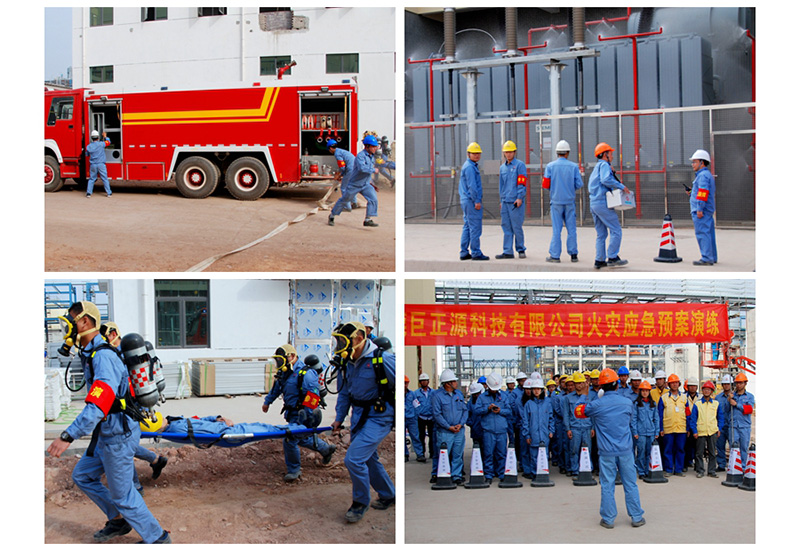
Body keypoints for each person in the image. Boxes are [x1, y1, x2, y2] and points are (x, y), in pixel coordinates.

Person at [46, 301, 169, 544]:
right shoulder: (90, 353)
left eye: (70, 321)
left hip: (118, 437)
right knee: (83, 476)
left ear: (84, 321)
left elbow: (98, 405)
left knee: (123, 495)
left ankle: (158, 538)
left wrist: (68, 435)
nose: (66, 328)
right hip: (106, 434)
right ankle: (118, 520)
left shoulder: (103, 356)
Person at [330, 322, 395, 523]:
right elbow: (344, 394)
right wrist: (339, 418)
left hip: (379, 417)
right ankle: (388, 494)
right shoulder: (348, 363)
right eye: (338, 342)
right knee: (368, 459)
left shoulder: (383, 359)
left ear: (359, 338)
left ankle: (360, 503)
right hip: (358, 416)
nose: (340, 346)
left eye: (343, 341)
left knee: (353, 459)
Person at [99, 322, 167, 494]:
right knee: (124, 447)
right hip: (132, 408)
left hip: (126, 411)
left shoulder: (117, 357)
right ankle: (155, 460)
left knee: (122, 448)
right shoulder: (126, 355)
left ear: (113, 334)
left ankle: (136, 487)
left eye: (105, 336)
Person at [574, 368, 645, 529]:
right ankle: (636, 517)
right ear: (617, 385)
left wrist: (584, 395)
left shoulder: (596, 405)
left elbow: (578, 412)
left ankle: (608, 519)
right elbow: (629, 420)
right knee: (630, 484)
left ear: (600, 387)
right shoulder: (627, 403)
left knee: (607, 485)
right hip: (625, 450)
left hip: (606, 452)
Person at [262, 344, 336, 482]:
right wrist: (267, 402)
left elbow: (312, 397)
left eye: (281, 359)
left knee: (290, 439)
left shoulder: (306, 374)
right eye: (277, 360)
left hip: (304, 414)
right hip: (291, 413)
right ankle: (325, 449)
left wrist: (308, 417)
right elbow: (277, 388)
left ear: (291, 356)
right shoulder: (285, 372)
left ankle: (294, 470)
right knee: (302, 438)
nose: (279, 362)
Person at [588, 142, 631, 269]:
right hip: (602, 202)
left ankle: (599, 260)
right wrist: (621, 186)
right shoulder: (604, 165)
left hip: (594, 203)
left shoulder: (598, 167)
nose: (612, 156)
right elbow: (605, 180)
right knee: (616, 229)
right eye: (610, 154)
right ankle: (612, 257)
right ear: (604, 154)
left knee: (601, 234)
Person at [543, 140, 584, 263]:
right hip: (569, 202)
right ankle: (573, 254)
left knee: (557, 230)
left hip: (556, 202)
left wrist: (555, 189)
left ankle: (555, 256)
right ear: (567, 153)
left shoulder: (550, 166)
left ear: (557, 153)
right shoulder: (573, 167)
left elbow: (545, 185)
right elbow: (579, 184)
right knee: (571, 229)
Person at [328, 135, 381, 227]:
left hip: (365, 184)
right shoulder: (360, 156)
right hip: (355, 184)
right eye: (373, 146)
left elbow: (367, 174)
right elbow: (362, 168)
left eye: (375, 146)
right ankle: (332, 215)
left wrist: (372, 184)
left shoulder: (371, 157)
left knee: (373, 199)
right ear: (367, 146)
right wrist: (374, 170)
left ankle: (368, 219)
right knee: (344, 200)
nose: (375, 148)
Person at [431, 369, 468, 484]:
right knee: (443, 455)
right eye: (454, 381)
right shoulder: (437, 396)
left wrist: (460, 424)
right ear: (448, 383)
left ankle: (456, 475)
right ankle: (441, 475)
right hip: (445, 432)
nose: (456, 383)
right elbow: (437, 414)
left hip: (459, 431)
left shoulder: (459, 394)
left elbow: (465, 410)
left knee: (457, 455)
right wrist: (448, 427)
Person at [475, 372, 511, 483]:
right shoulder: (482, 397)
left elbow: (509, 411)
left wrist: (500, 411)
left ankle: (501, 474)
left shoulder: (504, 396)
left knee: (502, 454)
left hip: (501, 430)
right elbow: (476, 410)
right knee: (488, 454)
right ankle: (489, 475)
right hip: (488, 431)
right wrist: (487, 408)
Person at [495, 140, 528, 259]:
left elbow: (522, 182)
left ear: (514, 152)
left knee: (516, 226)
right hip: (505, 201)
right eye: (506, 152)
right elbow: (501, 185)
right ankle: (508, 251)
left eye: (510, 152)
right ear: (504, 153)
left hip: (515, 202)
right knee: (506, 226)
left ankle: (521, 249)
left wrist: (519, 197)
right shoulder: (502, 168)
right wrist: (501, 200)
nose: (508, 154)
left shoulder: (520, 165)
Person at [459, 142, 489, 261]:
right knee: (475, 227)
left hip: (466, 200)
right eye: (474, 153)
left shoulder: (469, 166)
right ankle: (476, 252)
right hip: (471, 201)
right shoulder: (470, 167)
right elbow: (472, 186)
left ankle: (464, 252)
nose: (476, 155)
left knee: (467, 226)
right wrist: (476, 200)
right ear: (468, 154)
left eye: (478, 153)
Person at [688, 149, 717, 265]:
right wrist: (691, 192)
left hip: (701, 211)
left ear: (702, 162)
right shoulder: (706, 175)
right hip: (706, 210)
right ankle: (712, 256)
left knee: (702, 233)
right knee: (709, 234)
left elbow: (703, 192)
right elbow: (702, 192)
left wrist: (699, 208)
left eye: (695, 162)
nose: (693, 164)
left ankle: (706, 258)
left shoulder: (702, 176)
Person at [521, 376, 554, 477]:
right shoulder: (528, 404)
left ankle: (544, 474)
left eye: (538, 389)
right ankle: (534, 474)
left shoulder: (547, 403)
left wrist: (551, 431)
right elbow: (525, 421)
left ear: (542, 390)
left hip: (544, 434)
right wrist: (527, 435)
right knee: (534, 456)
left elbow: (551, 418)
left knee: (544, 455)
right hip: (533, 435)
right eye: (534, 389)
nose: (536, 391)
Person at [563, 372, 593, 476]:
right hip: (574, 428)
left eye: (581, 383)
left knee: (588, 450)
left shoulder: (589, 397)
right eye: (577, 383)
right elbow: (566, 414)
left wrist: (593, 427)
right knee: (574, 450)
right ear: (574, 384)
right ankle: (575, 470)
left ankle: (588, 470)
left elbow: (592, 413)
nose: (579, 385)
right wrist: (568, 429)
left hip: (587, 427)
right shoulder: (568, 398)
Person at [689, 381, 721, 478]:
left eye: (709, 389)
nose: (707, 391)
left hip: (712, 431)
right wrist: (694, 431)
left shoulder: (716, 404)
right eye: (705, 389)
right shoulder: (697, 404)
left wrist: (719, 429)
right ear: (702, 391)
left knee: (712, 452)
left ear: (712, 391)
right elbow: (693, 419)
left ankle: (711, 471)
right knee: (699, 453)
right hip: (701, 431)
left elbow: (720, 418)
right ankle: (700, 470)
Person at [658, 373, 688, 476]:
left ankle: (678, 469)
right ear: (669, 384)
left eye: (676, 383)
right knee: (668, 450)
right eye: (672, 383)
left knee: (680, 449)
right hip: (668, 428)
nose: (674, 385)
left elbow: (688, 414)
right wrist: (661, 428)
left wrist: (688, 427)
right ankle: (669, 469)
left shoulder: (684, 398)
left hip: (681, 428)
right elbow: (660, 414)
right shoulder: (663, 398)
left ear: (679, 384)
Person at [632, 380, 658, 478]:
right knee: (641, 453)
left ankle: (648, 470)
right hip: (641, 433)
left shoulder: (653, 404)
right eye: (643, 390)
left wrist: (656, 431)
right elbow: (634, 419)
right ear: (640, 391)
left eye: (646, 391)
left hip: (651, 432)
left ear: (649, 391)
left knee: (649, 453)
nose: (645, 392)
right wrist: (635, 432)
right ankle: (641, 471)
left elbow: (656, 418)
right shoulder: (637, 404)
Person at [327, 138, 357, 212]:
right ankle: (354, 203)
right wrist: (341, 174)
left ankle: (347, 207)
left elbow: (342, 167)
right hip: (355, 168)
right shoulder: (341, 151)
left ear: (330, 148)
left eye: (329, 150)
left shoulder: (337, 154)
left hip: (350, 169)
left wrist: (338, 174)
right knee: (351, 186)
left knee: (344, 188)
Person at [728, 373, 755, 450]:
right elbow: (726, 409)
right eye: (737, 383)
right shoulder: (732, 396)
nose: (738, 385)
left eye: (741, 383)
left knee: (744, 448)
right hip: (733, 426)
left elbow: (749, 409)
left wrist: (737, 404)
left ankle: (743, 459)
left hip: (744, 427)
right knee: (734, 449)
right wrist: (729, 399)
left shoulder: (750, 396)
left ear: (745, 383)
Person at [85, 129, 112, 198]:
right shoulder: (101, 144)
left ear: (91, 138)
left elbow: (87, 154)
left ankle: (88, 193)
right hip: (101, 164)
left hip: (93, 165)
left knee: (92, 179)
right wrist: (105, 136)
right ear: (98, 137)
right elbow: (108, 142)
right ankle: (108, 193)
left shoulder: (89, 146)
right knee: (104, 179)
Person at [414, 372, 435, 460]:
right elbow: (415, 405)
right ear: (420, 382)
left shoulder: (433, 393)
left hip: (431, 417)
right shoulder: (416, 393)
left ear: (428, 381)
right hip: (421, 417)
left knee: (432, 436)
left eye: (425, 380)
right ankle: (421, 453)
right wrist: (418, 413)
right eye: (422, 381)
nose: (424, 382)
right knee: (421, 436)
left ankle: (432, 453)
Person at [715, 374, 734, 471]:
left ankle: (733, 465)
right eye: (724, 384)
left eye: (728, 384)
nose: (726, 386)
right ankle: (721, 465)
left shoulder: (735, 396)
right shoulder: (718, 398)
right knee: (720, 446)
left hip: (732, 426)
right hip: (721, 426)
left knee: (733, 446)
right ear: (722, 385)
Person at [404, 376, 425, 462]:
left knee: (415, 437)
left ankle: (420, 454)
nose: (404, 385)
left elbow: (417, 406)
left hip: (411, 419)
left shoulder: (411, 394)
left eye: (406, 383)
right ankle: (405, 454)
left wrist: (415, 416)